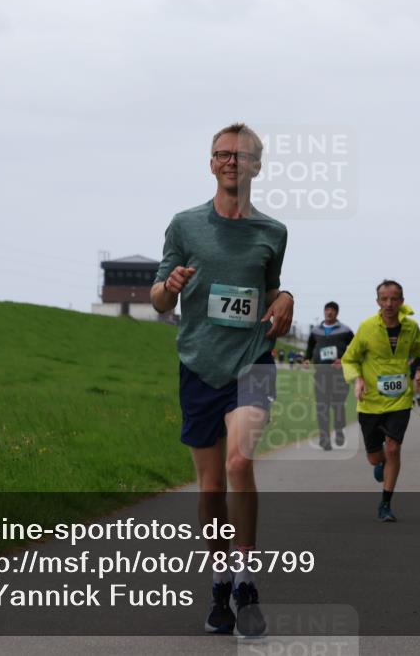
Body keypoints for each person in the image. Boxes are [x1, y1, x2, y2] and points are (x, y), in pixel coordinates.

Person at [150, 123, 292, 638]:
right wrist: (169, 286)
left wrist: (285, 299)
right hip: (199, 365)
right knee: (210, 488)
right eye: (222, 154)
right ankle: (219, 580)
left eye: (241, 155)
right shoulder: (185, 226)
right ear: (211, 164)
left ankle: (248, 581)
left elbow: (270, 287)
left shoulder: (272, 232)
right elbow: (160, 300)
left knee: (239, 462)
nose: (231, 162)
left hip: (253, 362)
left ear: (257, 165)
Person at [341, 280, 420, 522]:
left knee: (393, 448)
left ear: (401, 300)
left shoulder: (411, 327)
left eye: (394, 299)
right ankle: (379, 464)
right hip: (370, 402)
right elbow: (349, 359)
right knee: (376, 457)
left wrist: (419, 370)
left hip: (400, 400)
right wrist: (357, 380)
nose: (389, 303)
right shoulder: (367, 327)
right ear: (377, 301)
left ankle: (385, 504)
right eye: (384, 299)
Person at [304, 302, 354, 450]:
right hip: (321, 374)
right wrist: (307, 358)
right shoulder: (316, 331)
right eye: (327, 310)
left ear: (337, 313)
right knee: (322, 407)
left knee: (338, 405)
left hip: (339, 374)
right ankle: (324, 438)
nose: (329, 313)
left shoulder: (346, 331)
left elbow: (355, 349)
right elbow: (310, 347)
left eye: (332, 310)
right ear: (324, 312)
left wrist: (344, 360)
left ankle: (339, 431)